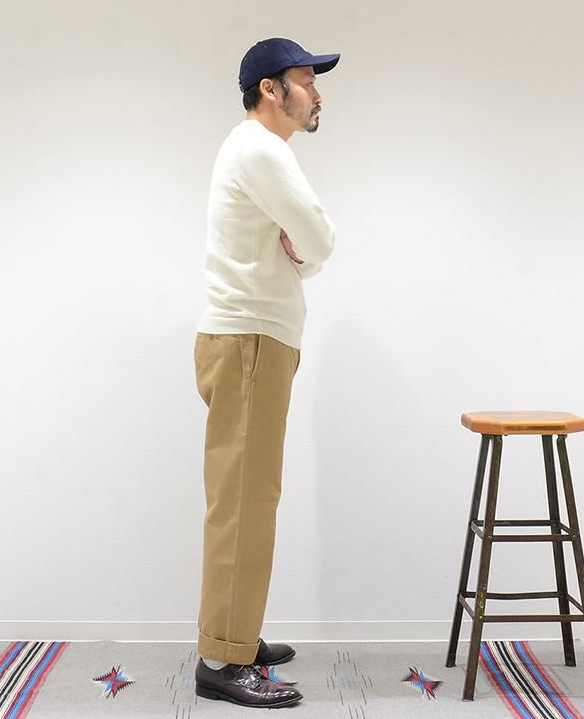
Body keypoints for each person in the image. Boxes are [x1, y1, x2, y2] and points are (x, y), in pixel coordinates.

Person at [192, 37, 340, 708]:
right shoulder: (261, 149)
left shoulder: (255, 151)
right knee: (245, 503)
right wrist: (306, 253)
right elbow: (320, 237)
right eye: (306, 80)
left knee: (251, 497)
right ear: (271, 90)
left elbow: (308, 247)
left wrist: (303, 254)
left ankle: (236, 636)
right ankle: (222, 661)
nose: (317, 93)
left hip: (253, 341)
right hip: (249, 342)